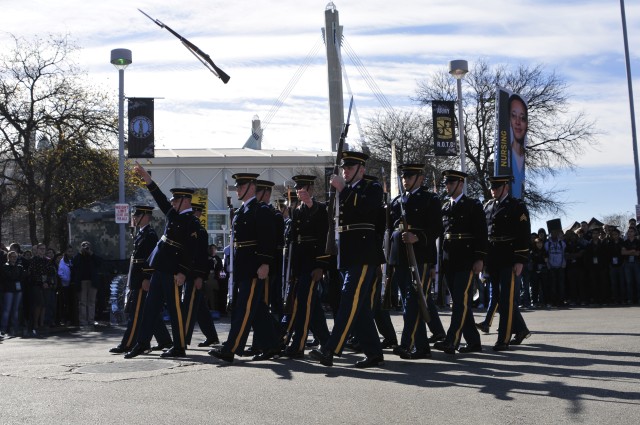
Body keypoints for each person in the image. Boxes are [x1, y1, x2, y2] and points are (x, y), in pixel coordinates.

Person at [309, 151, 385, 368]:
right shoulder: (344, 191)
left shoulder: (372, 188)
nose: (345, 172)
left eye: (349, 168)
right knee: (358, 308)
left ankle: (330, 349)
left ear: (361, 169)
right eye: (344, 168)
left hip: (363, 253)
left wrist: (343, 189)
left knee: (348, 301)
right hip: (346, 254)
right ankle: (374, 352)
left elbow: (366, 210)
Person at [125, 162, 202, 359]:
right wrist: (147, 179)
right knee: (150, 308)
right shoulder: (173, 214)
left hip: (173, 271)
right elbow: (159, 197)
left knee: (175, 311)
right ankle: (142, 343)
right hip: (160, 267)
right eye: (173, 200)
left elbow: (190, 251)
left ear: (185, 200)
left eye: (176, 200)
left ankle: (179, 346)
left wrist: (183, 272)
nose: (173, 202)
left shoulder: (191, 222)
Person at [208, 173, 280, 363]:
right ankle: (273, 344)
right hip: (243, 269)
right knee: (258, 311)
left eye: (240, 186)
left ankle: (230, 348)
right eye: (237, 186)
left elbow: (268, 240)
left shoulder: (260, 210)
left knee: (244, 309)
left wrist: (265, 263)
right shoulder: (242, 211)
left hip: (254, 269)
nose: (237, 189)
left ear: (251, 187)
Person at [388, 163, 444, 360]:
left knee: (413, 300)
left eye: (410, 177)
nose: (405, 180)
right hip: (400, 257)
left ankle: (407, 343)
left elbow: (437, 227)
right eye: (404, 177)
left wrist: (417, 237)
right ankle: (422, 347)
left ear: (420, 178)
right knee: (410, 302)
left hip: (420, 256)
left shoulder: (430, 199)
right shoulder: (397, 201)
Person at [434, 170, 486, 355]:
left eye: (450, 183)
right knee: (460, 302)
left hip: (466, 259)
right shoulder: (445, 207)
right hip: (449, 259)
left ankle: (452, 340)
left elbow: (481, 234)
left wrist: (479, 258)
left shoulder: (473, 205)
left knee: (459, 303)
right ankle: (473, 341)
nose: (447, 186)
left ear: (460, 184)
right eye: (446, 183)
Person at [110, 205, 171, 354]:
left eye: (137, 216)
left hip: (142, 280)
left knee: (136, 314)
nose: (135, 218)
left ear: (145, 216)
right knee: (149, 312)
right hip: (137, 279)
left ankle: (128, 343)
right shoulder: (141, 234)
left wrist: (146, 277)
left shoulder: (150, 235)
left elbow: (151, 260)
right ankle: (165, 341)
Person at [281, 175, 330, 359]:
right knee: (312, 306)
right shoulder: (297, 210)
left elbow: (324, 237)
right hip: (300, 264)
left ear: (310, 188)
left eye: (302, 187)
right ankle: (326, 341)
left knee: (304, 305)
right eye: (296, 187)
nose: (298, 190)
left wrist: (321, 265)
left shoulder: (319, 209)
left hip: (312, 264)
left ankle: (298, 344)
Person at [482, 175, 531, 351]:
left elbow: (524, 234)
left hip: (510, 257)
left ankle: (503, 338)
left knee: (506, 299)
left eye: (496, 187)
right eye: (492, 187)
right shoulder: (488, 206)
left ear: (506, 187)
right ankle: (521, 329)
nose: (493, 190)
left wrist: (520, 259)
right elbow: (485, 233)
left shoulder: (517, 206)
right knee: (498, 298)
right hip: (493, 257)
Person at [182, 202, 220, 349]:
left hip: (194, 275)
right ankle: (211, 336)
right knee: (200, 308)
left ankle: (182, 339)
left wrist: (199, 276)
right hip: (189, 274)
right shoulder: (191, 229)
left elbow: (201, 257)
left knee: (189, 308)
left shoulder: (200, 231)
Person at [71, 241, 101, 328]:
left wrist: (90, 253)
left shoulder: (93, 256)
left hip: (92, 281)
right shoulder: (78, 257)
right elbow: (75, 263)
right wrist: (81, 252)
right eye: (84, 246)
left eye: (87, 246)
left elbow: (99, 263)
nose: (86, 247)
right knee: (83, 302)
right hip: (82, 282)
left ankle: (91, 320)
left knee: (91, 302)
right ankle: (83, 321)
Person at [29, 243, 56, 336]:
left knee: (45, 304)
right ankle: (35, 323)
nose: (42, 250)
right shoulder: (33, 260)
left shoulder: (48, 260)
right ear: (37, 250)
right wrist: (41, 282)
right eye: (41, 249)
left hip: (46, 285)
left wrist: (47, 282)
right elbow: (32, 273)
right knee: (38, 304)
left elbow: (51, 273)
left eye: (44, 249)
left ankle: (42, 323)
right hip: (36, 285)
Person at [1, 251, 26, 337]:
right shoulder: (5, 266)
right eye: (12, 257)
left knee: (16, 309)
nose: (14, 258)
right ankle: (3, 328)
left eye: (15, 257)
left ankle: (15, 328)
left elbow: (22, 277)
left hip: (18, 290)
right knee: (7, 309)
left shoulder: (19, 266)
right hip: (9, 290)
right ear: (8, 257)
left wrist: (16, 275)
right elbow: (10, 276)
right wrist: (16, 275)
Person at [509, 94, 528, 199]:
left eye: (522, 118)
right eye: (513, 116)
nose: (517, 122)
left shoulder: (523, 157)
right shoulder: (505, 157)